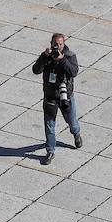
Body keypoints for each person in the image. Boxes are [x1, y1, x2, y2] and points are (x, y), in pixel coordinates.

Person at [31, 32, 82, 165]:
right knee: (49, 126)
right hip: (50, 96)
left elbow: (74, 72)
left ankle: (76, 134)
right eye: (55, 44)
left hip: (66, 96)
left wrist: (62, 59)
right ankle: (50, 151)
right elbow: (35, 70)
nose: (57, 47)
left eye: (60, 44)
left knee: (72, 122)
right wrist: (44, 57)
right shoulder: (46, 57)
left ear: (63, 44)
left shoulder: (70, 56)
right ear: (51, 44)